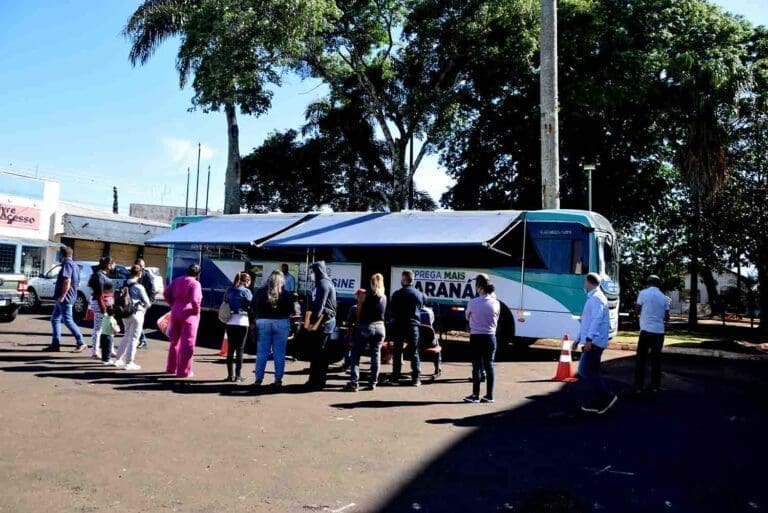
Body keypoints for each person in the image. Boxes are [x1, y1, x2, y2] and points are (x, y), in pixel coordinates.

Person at [574, 272, 617, 414]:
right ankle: (601, 399)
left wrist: (589, 339)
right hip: (593, 341)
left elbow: (596, 320)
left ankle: (607, 396)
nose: (584, 284)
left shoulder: (596, 298)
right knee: (590, 371)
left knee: (585, 370)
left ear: (589, 282)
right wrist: (578, 339)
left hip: (594, 342)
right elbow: (586, 322)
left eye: (585, 281)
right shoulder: (594, 297)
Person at [253, 271, 298, 387]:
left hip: (262, 322)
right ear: (282, 281)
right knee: (279, 353)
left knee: (262, 352)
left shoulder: (260, 292)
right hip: (281, 322)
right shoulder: (286, 294)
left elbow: (253, 308)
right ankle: (278, 379)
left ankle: (258, 379)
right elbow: (292, 311)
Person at [347, 274, 387, 391]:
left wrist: (357, 324)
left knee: (355, 354)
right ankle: (373, 383)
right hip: (380, 327)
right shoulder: (384, 297)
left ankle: (354, 382)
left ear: (371, 283)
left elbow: (358, 313)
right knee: (376, 355)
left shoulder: (364, 295)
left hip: (365, 326)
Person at [464, 275, 500, 403]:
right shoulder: (496, 303)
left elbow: (467, 316)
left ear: (480, 288)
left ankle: (475, 395)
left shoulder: (473, 302)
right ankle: (489, 395)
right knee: (489, 366)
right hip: (490, 337)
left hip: (476, 337)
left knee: (476, 366)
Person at [43, 246, 87, 352]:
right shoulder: (75, 266)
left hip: (65, 298)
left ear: (62, 255)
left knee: (68, 320)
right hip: (69, 296)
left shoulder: (67, 264)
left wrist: (62, 296)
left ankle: (81, 342)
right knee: (55, 319)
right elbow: (77, 283)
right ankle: (55, 344)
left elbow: (67, 281)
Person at [164, 264, 203, 378]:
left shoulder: (177, 280)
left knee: (174, 341)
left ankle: (171, 368)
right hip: (189, 314)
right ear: (198, 274)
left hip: (176, 311)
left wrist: (173, 304)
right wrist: (197, 311)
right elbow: (195, 300)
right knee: (188, 343)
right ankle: (184, 371)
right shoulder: (195, 283)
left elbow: (166, 293)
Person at [633, 275, 670, 394]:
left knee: (641, 359)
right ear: (658, 284)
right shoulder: (664, 297)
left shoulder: (643, 293)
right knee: (656, 360)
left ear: (648, 283)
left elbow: (637, 310)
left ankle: (639, 387)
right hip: (659, 332)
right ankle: (655, 386)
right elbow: (667, 317)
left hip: (646, 331)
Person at [388, 270, 424, 386]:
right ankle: (416, 378)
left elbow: (391, 310)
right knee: (414, 352)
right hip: (413, 325)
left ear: (404, 280)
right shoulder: (419, 294)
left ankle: (395, 378)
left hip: (399, 325)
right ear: (412, 280)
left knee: (397, 352)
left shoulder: (397, 294)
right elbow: (420, 307)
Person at [304, 261, 337, 390]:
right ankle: (315, 379)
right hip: (324, 322)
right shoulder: (323, 282)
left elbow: (320, 306)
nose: (311, 274)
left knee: (320, 353)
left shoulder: (323, 284)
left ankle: (318, 380)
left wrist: (311, 322)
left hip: (323, 323)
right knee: (318, 352)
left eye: (312, 271)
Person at [114, 264, 151, 371]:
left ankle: (118, 359)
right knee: (134, 339)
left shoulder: (123, 284)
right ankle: (129, 362)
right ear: (139, 274)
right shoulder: (139, 287)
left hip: (125, 314)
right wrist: (143, 308)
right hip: (137, 314)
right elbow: (148, 303)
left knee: (126, 336)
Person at [224, 272, 253, 382]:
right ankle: (238, 376)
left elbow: (225, 303)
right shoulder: (246, 291)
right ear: (247, 281)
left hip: (230, 321)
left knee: (230, 349)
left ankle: (229, 376)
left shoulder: (229, 290)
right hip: (242, 322)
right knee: (240, 350)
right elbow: (252, 304)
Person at [88, 256, 115, 359]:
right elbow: (99, 294)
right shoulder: (100, 276)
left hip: (102, 304)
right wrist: (104, 308)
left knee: (103, 328)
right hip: (102, 304)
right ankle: (96, 352)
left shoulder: (99, 275)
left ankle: (107, 350)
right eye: (113, 264)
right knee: (101, 328)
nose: (114, 266)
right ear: (108, 265)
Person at [135, 258, 157, 350]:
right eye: (140, 266)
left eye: (143, 266)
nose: (142, 267)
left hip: (143, 303)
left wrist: (149, 303)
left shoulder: (146, 275)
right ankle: (138, 339)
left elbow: (152, 291)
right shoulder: (133, 273)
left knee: (138, 322)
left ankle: (142, 340)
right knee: (136, 322)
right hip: (134, 302)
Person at [420, 300, 442, 377]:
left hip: (416, 341)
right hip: (429, 342)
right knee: (437, 344)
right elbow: (431, 323)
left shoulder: (413, 311)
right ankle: (438, 367)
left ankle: (417, 368)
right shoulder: (429, 311)